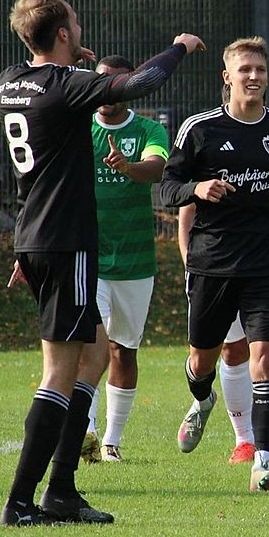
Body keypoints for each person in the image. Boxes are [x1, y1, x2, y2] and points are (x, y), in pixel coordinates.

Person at [0, 0, 203, 526]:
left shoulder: (12, 85)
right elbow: (143, 81)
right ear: (65, 33)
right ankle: (22, 503)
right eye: (74, 22)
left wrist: (60, 70)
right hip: (65, 241)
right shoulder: (64, 86)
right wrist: (181, 47)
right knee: (58, 372)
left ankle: (63, 492)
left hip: (36, 237)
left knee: (95, 356)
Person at [160, 36, 269, 492]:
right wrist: (198, 189)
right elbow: (169, 186)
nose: (253, 77)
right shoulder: (201, 129)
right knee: (202, 359)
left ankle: (262, 462)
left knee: (265, 359)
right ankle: (202, 399)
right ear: (227, 77)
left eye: (260, 70)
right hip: (212, 265)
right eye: (244, 69)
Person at [80, 55, 170, 464]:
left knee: (124, 352)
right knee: (89, 347)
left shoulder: (148, 128)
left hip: (135, 263)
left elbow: (155, 170)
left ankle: (113, 440)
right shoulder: (79, 126)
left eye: (114, 85)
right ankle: (87, 433)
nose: (106, 94)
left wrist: (127, 166)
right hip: (90, 259)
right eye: (100, 84)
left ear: (128, 86)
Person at [177, 201, 269, 465]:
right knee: (231, 350)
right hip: (220, 268)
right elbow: (186, 208)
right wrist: (193, 266)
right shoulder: (212, 161)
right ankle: (243, 439)